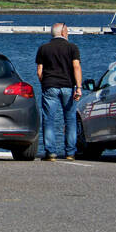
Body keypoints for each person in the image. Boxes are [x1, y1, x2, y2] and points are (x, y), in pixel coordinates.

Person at [35, 22, 83, 160]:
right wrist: (78, 87)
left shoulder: (43, 48)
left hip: (50, 86)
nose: (68, 33)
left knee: (48, 119)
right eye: (67, 30)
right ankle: (70, 152)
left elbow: (39, 71)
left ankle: (50, 152)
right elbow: (76, 67)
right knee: (70, 119)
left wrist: (44, 83)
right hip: (68, 86)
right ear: (62, 32)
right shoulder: (72, 48)